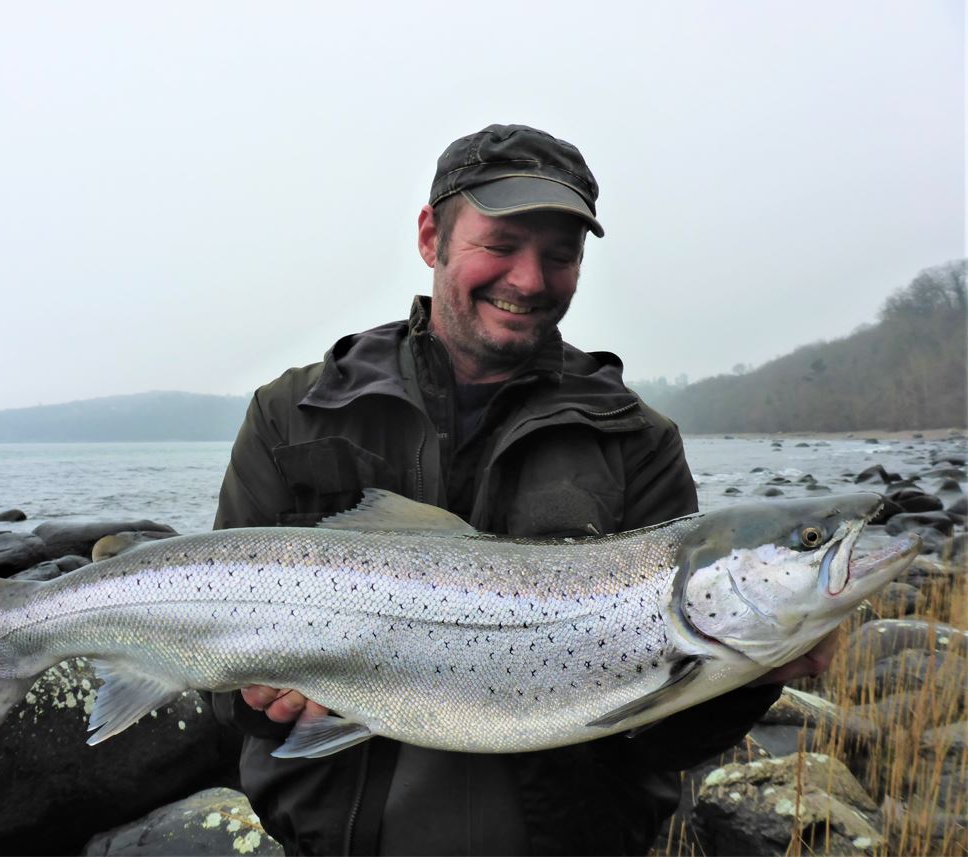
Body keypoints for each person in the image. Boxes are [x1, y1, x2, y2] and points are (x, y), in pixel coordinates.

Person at [211, 124, 836, 856]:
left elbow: (657, 739)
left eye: (560, 255)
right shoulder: (292, 414)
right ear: (430, 236)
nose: (531, 280)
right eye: (500, 244)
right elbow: (217, 678)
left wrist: (750, 675)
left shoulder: (636, 440)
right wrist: (254, 698)